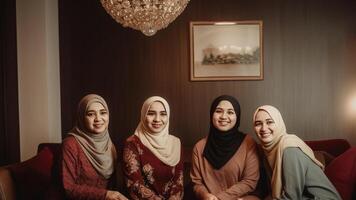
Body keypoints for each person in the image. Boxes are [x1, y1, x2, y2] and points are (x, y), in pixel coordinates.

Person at [253, 105, 341, 200]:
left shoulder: (289, 148)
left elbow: (292, 197)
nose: (263, 128)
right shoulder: (268, 151)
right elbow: (271, 191)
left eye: (269, 122)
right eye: (258, 124)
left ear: (279, 123)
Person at [190, 95, 260, 200]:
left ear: (237, 117)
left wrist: (221, 198)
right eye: (218, 111)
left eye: (230, 112)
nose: (223, 116)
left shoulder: (248, 143)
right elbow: (197, 183)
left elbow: (250, 181)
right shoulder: (199, 147)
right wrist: (205, 195)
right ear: (211, 114)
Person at [62, 94, 127, 200]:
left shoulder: (109, 144)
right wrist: (106, 195)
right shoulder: (70, 144)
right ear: (82, 117)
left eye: (103, 113)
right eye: (91, 114)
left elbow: (113, 184)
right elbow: (68, 188)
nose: (98, 119)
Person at [123, 96, 184, 199]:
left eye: (163, 114)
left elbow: (178, 183)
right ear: (143, 115)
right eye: (151, 113)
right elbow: (134, 184)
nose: (157, 119)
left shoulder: (175, 143)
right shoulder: (132, 143)